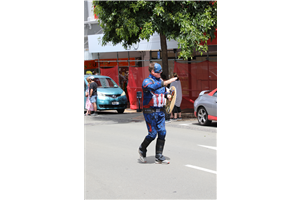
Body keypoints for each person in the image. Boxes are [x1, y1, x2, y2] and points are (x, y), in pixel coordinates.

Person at [138, 62, 177, 164]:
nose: (160, 73)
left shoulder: (160, 80)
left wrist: (168, 95)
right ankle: (142, 148)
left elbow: (164, 91)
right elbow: (152, 87)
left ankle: (159, 156)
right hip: (150, 112)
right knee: (152, 134)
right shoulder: (146, 81)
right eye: (158, 71)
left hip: (160, 112)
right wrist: (168, 81)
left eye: (161, 71)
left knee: (163, 132)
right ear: (152, 71)